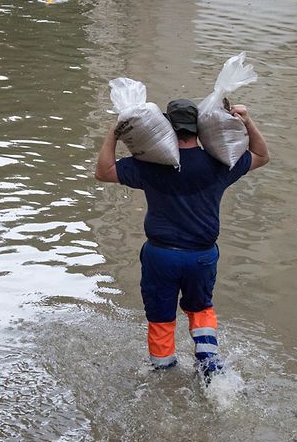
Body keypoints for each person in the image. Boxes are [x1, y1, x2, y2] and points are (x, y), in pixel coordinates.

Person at [94, 98, 269, 379]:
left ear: (165, 128)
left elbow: (103, 172)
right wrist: (247, 122)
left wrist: (114, 132)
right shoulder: (219, 163)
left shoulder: (149, 165)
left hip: (161, 256)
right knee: (201, 309)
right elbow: (261, 156)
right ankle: (209, 363)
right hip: (202, 256)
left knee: (161, 317)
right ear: (199, 129)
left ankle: (164, 374)